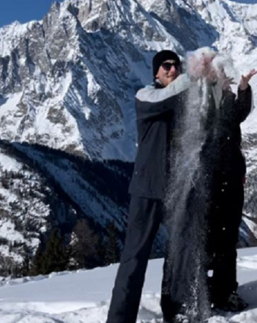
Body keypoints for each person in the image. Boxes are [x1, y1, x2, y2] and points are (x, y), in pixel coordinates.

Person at [107, 50, 190, 323]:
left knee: (178, 256)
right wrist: (193, 76)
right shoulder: (146, 95)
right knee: (134, 259)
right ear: (156, 71)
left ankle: (175, 312)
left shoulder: (181, 98)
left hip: (176, 189)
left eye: (177, 66)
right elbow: (166, 98)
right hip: (147, 188)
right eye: (166, 66)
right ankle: (120, 319)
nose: (173, 70)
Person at [196, 50, 257, 311]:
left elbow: (240, 113)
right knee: (206, 234)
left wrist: (243, 89)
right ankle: (202, 289)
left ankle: (226, 290)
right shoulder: (201, 98)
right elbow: (203, 120)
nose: (221, 76)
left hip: (232, 175)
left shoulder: (230, 100)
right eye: (215, 71)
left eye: (223, 72)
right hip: (207, 176)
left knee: (228, 237)